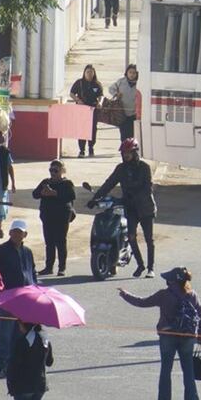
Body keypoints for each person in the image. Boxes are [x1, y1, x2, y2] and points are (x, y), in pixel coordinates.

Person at [118, 267, 201, 400]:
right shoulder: (192, 294)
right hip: (187, 336)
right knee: (188, 370)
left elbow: (142, 302)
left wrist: (125, 294)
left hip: (167, 336)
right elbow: (200, 315)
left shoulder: (164, 295)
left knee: (166, 370)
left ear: (171, 282)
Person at [92, 138, 156, 277]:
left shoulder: (144, 167)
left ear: (135, 152)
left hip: (145, 208)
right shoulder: (121, 169)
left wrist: (135, 196)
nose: (126, 155)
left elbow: (148, 188)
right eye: (124, 152)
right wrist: (95, 198)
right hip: (131, 208)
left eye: (129, 152)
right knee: (131, 237)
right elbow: (109, 183)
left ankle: (151, 268)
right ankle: (140, 265)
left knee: (149, 239)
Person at [0, 220, 35, 378]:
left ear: (25, 235)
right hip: (8, 299)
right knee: (5, 335)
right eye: (14, 231)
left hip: (25, 299)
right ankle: (1, 367)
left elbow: (31, 273)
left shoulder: (27, 251)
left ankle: (16, 366)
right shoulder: (0, 250)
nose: (16, 234)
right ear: (9, 233)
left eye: (19, 232)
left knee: (21, 334)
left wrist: (34, 290)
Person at [32, 160, 75, 276]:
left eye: (56, 170)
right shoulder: (46, 182)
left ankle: (62, 268)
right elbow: (34, 194)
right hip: (47, 216)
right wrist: (43, 192)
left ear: (62, 171)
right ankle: (48, 267)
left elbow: (71, 196)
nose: (53, 173)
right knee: (49, 242)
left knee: (61, 242)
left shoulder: (67, 183)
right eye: (51, 170)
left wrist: (54, 193)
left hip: (62, 216)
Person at [70, 64, 103, 157]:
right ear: (84, 73)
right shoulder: (79, 82)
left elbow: (101, 96)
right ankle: (81, 150)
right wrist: (78, 100)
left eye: (91, 72)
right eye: (88, 72)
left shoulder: (97, 84)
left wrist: (100, 102)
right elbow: (72, 93)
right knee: (82, 129)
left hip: (93, 109)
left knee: (92, 129)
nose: (89, 74)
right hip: (81, 109)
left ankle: (91, 148)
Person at [109, 64, 139, 141]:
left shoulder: (139, 83)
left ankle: (132, 152)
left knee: (133, 135)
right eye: (130, 72)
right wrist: (116, 94)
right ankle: (124, 152)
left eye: (134, 73)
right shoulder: (121, 81)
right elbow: (111, 89)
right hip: (122, 113)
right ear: (127, 73)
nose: (132, 75)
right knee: (124, 135)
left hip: (133, 114)